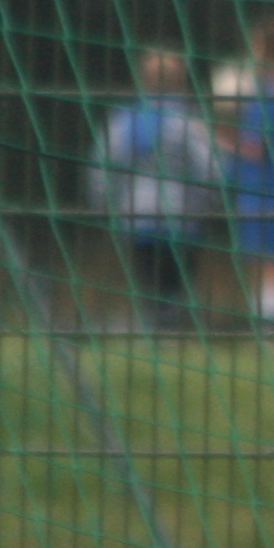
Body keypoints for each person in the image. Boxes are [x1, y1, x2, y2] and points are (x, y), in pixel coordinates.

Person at [88, 43, 223, 333]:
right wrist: (213, 200)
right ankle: (171, 326)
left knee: (148, 275)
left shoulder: (126, 119)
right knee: (177, 277)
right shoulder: (188, 120)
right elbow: (207, 166)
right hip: (183, 214)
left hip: (137, 213)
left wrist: (104, 202)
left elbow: (105, 164)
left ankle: (155, 324)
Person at [218, 19, 274, 331]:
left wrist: (219, 138)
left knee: (268, 263)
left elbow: (256, 147)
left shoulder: (270, 94)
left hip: (264, 190)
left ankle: (272, 327)